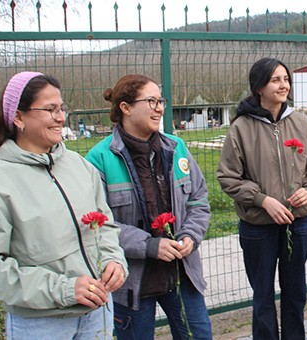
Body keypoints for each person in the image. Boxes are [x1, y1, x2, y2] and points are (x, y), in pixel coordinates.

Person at [0, 71, 127, 339]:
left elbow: (105, 223)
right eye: (50, 109)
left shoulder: (80, 166)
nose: (61, 117)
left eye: (62, 108)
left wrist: (114, 260)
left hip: (98, 311)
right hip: (42, 324)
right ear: (18, 117)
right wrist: (63, 289)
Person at [85, 74, 212, 339]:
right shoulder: (99, 159)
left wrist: (190, 234)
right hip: (131, 282)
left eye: (161, 101)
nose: (159, 108)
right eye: (151, 101)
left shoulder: (176, 148)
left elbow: (198, 200)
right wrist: (149, 245)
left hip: (181, 273)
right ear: (126, 107)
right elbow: (97, 223)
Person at [217, 57, 307, 339]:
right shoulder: (241, 128)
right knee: (262, 294)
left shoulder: (301, 121)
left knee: (296, 292)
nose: (283, 85)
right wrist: (262, 200)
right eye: (275, 80)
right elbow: (228, 177)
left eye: (286, 79)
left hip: (298, 221)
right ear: (259, 87)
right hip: (258, 225)